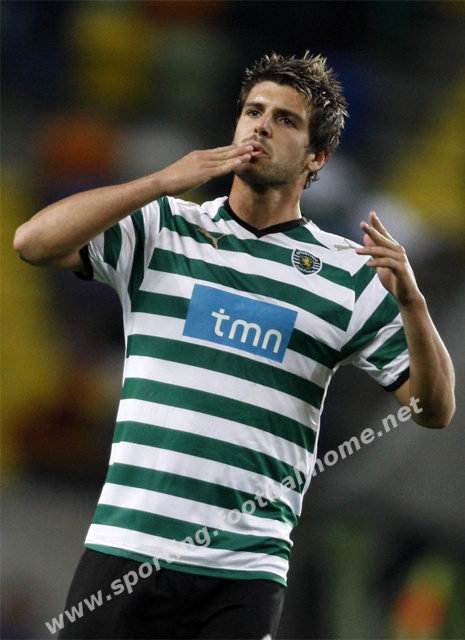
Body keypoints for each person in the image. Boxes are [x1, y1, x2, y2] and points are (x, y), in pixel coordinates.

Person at [14, 52, 455, 640]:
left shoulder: (348, 275)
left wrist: (414, 305)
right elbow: (32, 243)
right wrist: (159, 183)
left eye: (285, 120)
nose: (261, 126)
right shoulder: (163, 227)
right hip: (127, 546)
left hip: (243, 570)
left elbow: (432, 410)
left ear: (318, 157)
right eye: (253, 111)